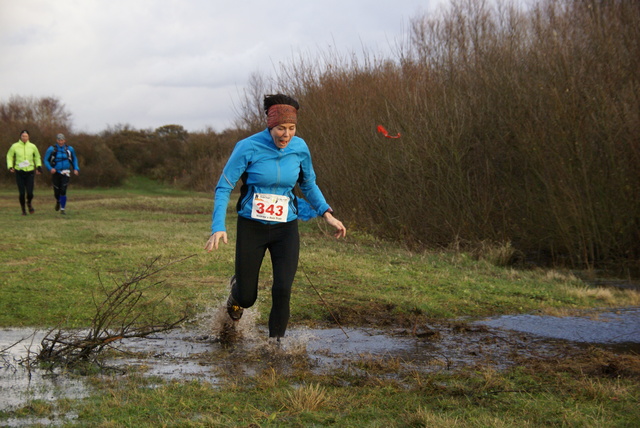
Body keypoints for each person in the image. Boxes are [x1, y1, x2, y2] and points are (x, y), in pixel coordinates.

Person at [205, 94, 347, 340]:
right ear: (270, 125)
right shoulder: (248, 147)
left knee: (282, 289)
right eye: (281, 128)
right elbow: (224, 186)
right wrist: (219, 225)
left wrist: (327, 213)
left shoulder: (300, 148)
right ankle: (235, 296)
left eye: (291, 128)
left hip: (285, 228)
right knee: (246, 297)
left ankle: (275, 345)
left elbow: (309, 184)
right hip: (252, 226)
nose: (286, 134)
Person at [6, 130, 42, 215]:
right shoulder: (15, 146)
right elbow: (9, 156)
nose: (24, 138)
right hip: (19, 171)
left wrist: (38, 166)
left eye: (26, 136)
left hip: (30, 172)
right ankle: (23, 210)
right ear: (20, 137)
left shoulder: (33, 146)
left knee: (30, 193)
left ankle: (29, 203)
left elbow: (37, 157)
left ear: (28, 137)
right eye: (23, 136)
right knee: (22, 193)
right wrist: (10, 166)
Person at [44, 133, 80, 215]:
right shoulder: (51, 149)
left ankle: (63, 209)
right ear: (57, 140)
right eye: (59, 140)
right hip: (56, 172)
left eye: (62, 140)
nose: (61, 142)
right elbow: (45, 160)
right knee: (57, 191)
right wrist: (50, 168)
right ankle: (58, 201)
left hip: (66, 172)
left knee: (63, 190)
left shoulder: (69, 149)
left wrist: (76, 168)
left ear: (65, 140)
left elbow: (74, 159)